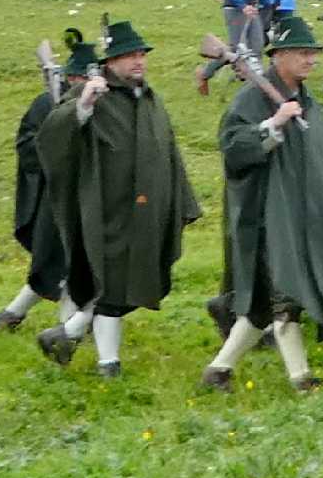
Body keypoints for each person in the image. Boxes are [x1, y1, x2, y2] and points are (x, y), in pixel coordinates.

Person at [37, 20, 201, 378]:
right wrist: (83, 106)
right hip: (108, 212)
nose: (138, 61)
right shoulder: (93, 95)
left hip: (149, 212)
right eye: (129, 56)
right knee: (110, 288)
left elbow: (169, 150)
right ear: (110, 61)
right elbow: (53, 135)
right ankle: (108, 364)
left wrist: (184, 202)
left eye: (141, 54)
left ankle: (65, 335)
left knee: (133, 284)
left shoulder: (150, 99)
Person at [201, 10, 323, 393]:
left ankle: (218, 371)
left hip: (303, 216)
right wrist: (272, 125)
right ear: (278, 56)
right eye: (302, 52)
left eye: (312, 53)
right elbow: (233, 149)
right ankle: (301, 379)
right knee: (285, 299)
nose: (311, 59)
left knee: (262, 307)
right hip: (266, 218)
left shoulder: (308, 102)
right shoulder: (252, 99)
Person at [0, 30, 93, 331]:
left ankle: (12, 315)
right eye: (81, 78)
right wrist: (56, 145)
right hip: (55, 198)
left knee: (69, 264)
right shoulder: (46, 103)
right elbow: (28, 146)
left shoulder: (101, 102)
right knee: (60, 263)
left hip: (89, 194)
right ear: (71, 77)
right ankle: (65, 329)